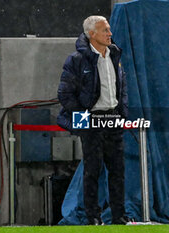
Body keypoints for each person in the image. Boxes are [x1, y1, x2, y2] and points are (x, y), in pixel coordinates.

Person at [57, 15, 129, 225]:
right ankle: (93, 216)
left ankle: (119, 215)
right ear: (92, 34)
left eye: (109, 30)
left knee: (118, 171)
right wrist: (83, 118)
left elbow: (121, 87)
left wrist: (121, 113)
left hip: (112, 117)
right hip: (91, 118)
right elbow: (65, 95)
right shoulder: (77, 60)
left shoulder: (115, 55)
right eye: (105, 30)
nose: (110, 34)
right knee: (92, 171)